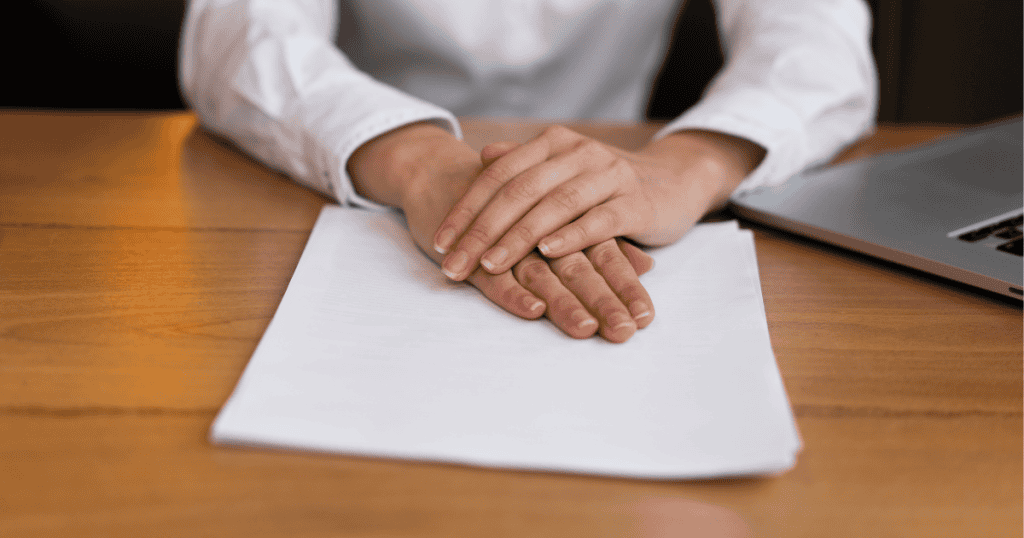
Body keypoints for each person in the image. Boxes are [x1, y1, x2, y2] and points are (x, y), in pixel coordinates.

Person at [179, 0, 877, 343]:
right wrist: (416, 160)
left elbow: (819, 46)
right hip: (364, 178)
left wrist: (687, 166)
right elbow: (238, 36)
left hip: (623, 192)